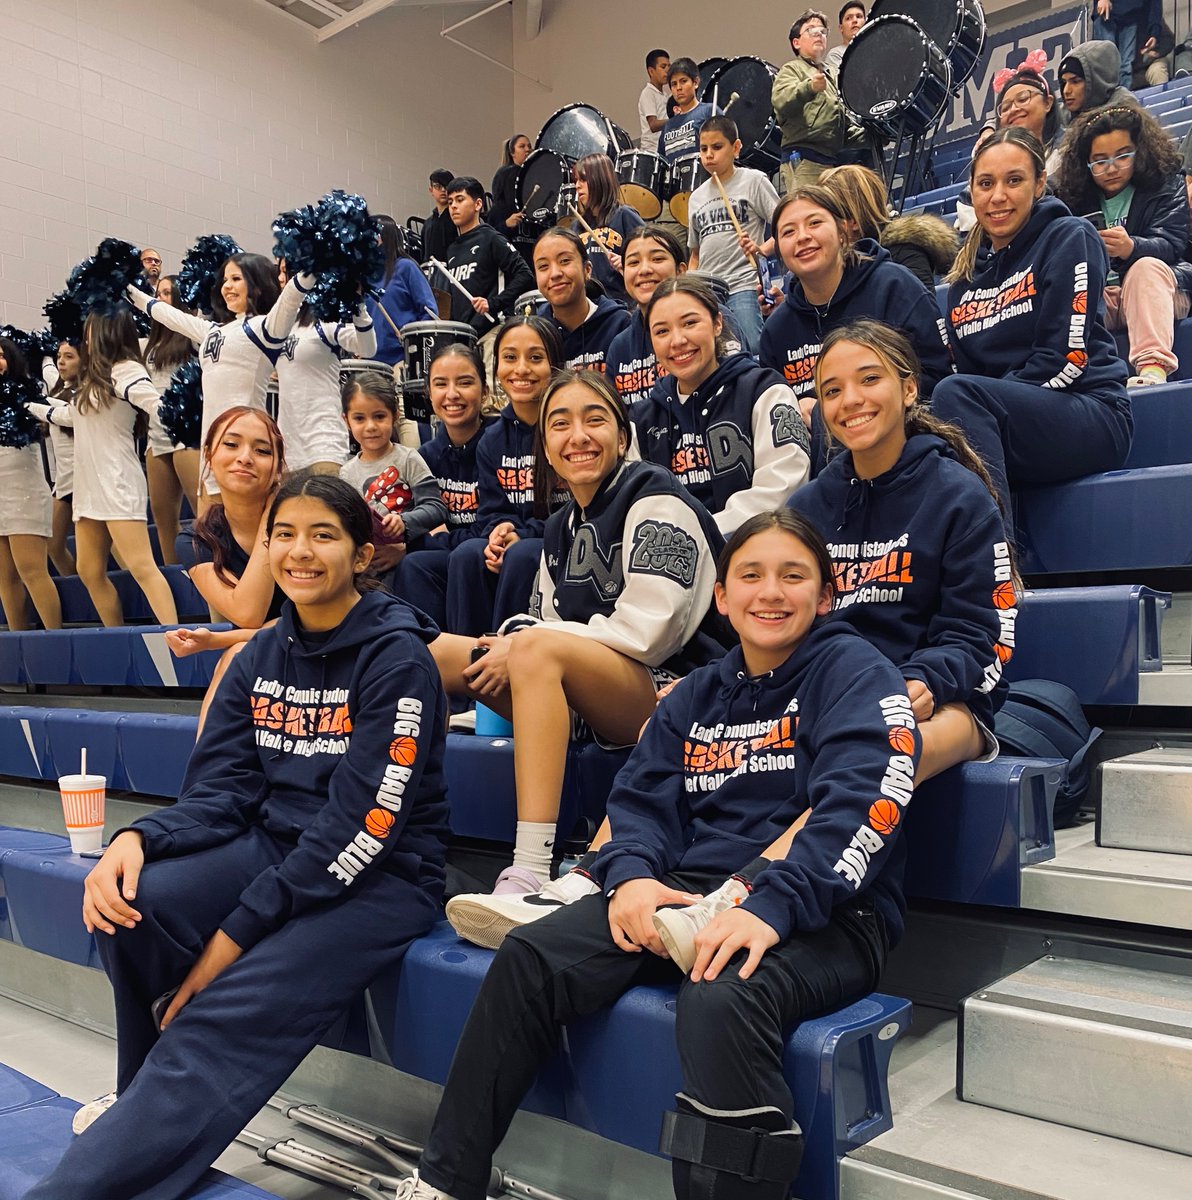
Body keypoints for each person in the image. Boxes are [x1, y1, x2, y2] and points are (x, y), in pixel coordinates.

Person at [404, 509, 919, 1200]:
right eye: (752, 576)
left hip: (829, 913)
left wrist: (770, 906)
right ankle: (446, 1182)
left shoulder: (857, 672)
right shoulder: (697, 693)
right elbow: (641, 800)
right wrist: (633, 881)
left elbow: (866, 803)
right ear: (723, 599)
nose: (771, 592)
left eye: (793, 577)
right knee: (531, 958)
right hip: (685, 893)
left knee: (721, 993)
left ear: (825, 595)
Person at [27, 474, 450, 1200]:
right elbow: (221, 791)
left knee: (217, 1006)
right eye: (284, 534)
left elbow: (361, 830)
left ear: (359, 552)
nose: (300, 552)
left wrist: (227, 945)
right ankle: (146, 1106)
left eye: (323, 535)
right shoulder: (259, 656)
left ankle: (92, 1179)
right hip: (275, 845)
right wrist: (141, 840)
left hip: (382, 878)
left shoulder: (398, 659)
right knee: (138, 902)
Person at [650, 320, 1013, 965]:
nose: (851, 401)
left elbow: (986, 634)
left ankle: (740, 895)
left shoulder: (958, 494)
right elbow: (781, 613)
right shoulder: (814, 501)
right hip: (827, 690)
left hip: (943, 702)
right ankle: (600, 878)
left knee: (884, 749)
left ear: (908, 387)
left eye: (869, 381)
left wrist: (924, 679)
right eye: (832, 389)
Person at [432, 369, 725, 900]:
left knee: (534, 649)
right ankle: (404, 836)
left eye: (595, 420)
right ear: (545, 446)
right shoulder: (561, 524)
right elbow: (541, 616)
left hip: (672, 692)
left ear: (622, 433)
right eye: (560, 425)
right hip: (582, 688)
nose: (578, 437)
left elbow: (649, 633)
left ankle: (528, 867)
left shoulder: (659, 500)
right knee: (433, 652)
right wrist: (518, 641)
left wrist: (524, 642)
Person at [935, 127, 1132, 516]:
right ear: (971, 193)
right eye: (986, 183)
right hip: (1008, 420)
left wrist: (987, 407)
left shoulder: (1069, 237)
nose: (998, 196)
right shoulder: (964, 277)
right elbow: (970, 372)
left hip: (1090, 409)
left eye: (1014, 180)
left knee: (956, 397)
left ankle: (996, 564)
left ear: (1040, 183)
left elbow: (1066, 361)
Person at [758, 186, 954, 433]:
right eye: (788, 232)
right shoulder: (777, 330)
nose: (802, 236)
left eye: (815, 223)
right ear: (780, 253)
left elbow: (937, 378)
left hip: (906, 439)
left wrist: (830, 410)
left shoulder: (894, 286)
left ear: (842, 232)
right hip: (822, 463)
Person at [30, 312, 177, 627]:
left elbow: (153, 402)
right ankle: (119, 638)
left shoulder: (126, 371)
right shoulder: (92, 378)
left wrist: (173, 411)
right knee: (88, 570)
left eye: (91, 329)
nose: (86, 336)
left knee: (141, 566)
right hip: (89, 487)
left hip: (117, 480)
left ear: (108, 330)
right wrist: (27, 406)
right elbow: (72, 415)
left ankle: (177, 643)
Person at [636, 277, 812, 534]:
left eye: (690, 323)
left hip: (755, 550)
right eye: (662, 331)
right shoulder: (642, 418)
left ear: (717, 323)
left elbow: (783, 485)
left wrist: (705, 535)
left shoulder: (764, 391)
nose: (677, 340)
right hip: (675, 564)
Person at [126, 252, 311, 495]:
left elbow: (291, 297)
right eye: (225, 279)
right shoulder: (213, 331)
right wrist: (127, 288)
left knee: (246, 528)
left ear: (256, 284)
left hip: (245, 448)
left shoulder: (266, 327)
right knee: (207, 528)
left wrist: (314, 255)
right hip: (212, 447)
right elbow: (168, 315)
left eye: (236, 278)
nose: (227, 286)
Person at [441, 315, 569, 638]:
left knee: (522, 555)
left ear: (555, 364)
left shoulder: (567, 428)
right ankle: (466, 667)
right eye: (510, 358)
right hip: (518, 539)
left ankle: (506, 666)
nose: (521, 369)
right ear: (496, 367)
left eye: (535, 358)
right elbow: (491, 513)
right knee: (467, 555)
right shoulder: (491, 440)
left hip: (564, 539)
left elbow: (578, 511)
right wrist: (501, 532)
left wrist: (522, 536)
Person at [394, 343, 496, 628]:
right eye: (441, 384)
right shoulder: (425, 456)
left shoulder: (498, 444)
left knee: (461, 555)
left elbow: (488, 529)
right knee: (409, 566)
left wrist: (435, 538)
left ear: (484, 391)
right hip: (447, 558)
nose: (452, 394)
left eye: (465, 382)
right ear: (429, 394)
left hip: (487, 558)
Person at [339, 370, 447, 580]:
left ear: (395, 415)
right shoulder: (346, 473)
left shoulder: (408, 459)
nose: (370, 427)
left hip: (407, 562)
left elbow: (436, 508)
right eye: (359, 418)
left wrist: (403, 522)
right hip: (366, 569)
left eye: (379, 416)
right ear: (346, 420)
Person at [687, 114, 779, 353]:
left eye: (717, 147)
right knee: (717, 354)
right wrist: (688, 281)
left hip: (743, 284)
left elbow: (785, 230)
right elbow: (695, 253)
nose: (709, 154)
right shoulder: (696, 197)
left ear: (736, 147)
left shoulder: (754, 181)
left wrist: (761, 250)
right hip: (707, 291)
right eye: (704, 148)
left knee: (753, 348)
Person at [275, 259, 377, 473]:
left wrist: (358, 304)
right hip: (288, 448)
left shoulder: (325, 321)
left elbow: (367, 349)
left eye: (285, 271)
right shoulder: (278, 326)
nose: (280, 278)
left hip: (324, 443)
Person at [0, 336, 61, 631]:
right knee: (5, 577)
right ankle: (20, 647)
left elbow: (54, 418)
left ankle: (56, 640)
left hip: (23, 488)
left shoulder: (26, 396)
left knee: (32, 570)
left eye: (0, 355)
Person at [820, 163, 959, 290]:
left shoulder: (905, 252)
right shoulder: (833, 264)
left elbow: (920, 312)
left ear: (853, 222)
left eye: (819, 220)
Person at [772, 10, 870, 189]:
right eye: (810, 30)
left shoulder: (832, 75)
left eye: (822, 31)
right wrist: (809, 87)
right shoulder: (792, 69)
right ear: (796, 42)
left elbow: (841, 127)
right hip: (803, 161)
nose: (818, 33)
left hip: (830, 162)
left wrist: (873, 136)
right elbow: (781, 101)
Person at [142, 273, 201, 564]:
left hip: (187, 434)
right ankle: (173, 576)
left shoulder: (192, 335)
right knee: (163, 518)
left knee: (201, 512)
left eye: (167, 293)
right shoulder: (150, 344)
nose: (160, 298)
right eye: (158, 293)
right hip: (157, 436)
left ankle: (208, 569)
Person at [606, 225, 690, 405]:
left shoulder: (709, 323)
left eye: (657, 259)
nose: (644, 270)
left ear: (681, 271)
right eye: (633, 263)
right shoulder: (620, 347)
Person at [440, 177, 535, 335]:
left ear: (478, 204)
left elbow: (525, 275)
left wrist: (492, 304)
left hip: (492, 331)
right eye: (450, 202)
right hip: (464, 335)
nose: (453, 206)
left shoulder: (491, 238)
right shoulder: (452, 250)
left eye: (460, 199)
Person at [533, 228, 632, 371]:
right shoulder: (535, 334)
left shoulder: (620, 325)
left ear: (587, 270)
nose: (554, 274)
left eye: (565, 261)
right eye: (543, 266)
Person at [572, 153, 644, 304]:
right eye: (576, 180)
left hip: (621, 305)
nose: (577, 185)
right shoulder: (577, 226)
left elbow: (647, 257)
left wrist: (628, 263)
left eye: (583, 179)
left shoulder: (625, 216)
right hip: (588, 307)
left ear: (599, 180)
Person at [368, 216, 438, 367]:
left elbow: (430, 312)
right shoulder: (364, 279)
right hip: (370, 362)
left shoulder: (406, 268)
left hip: (402, 360)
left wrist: (412, 341)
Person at [44, 339, 79, 577]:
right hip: (63, 481)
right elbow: (45, 363)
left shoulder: (86, 392)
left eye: (69, 356)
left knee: (115, 548)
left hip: (85, 479)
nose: (61, 361)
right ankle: (85, 595)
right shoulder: (56, 390)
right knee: (53, 546)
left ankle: (139, 602)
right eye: (59, 356)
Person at [992, 54, 1062, 172]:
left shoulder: (1066, 152)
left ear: (1048, 103)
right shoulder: (991, 165)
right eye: (1005, 108)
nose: (1013, 109)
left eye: (1023, 99)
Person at [658, 58, 716, 169]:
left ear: (696, 82)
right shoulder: (668, 127)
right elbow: (662, 163)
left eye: (683, 81)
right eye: (674, 84)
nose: (678, 88)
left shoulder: (708, 112)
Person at [1057, 41, 1133, 122]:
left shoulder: (1124, 113)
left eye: (1075, 82)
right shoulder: (1062, 116)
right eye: (1064, 82)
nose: (1066, 91)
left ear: (1097, 81)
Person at [1094, 0, 1161, 89]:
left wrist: (1154, 32)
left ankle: (1124, 100)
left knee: (1125, 68)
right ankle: (1109, 99)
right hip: (1107, 13)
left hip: (1131, 17)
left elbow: (1155, 5)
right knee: (1108, 66)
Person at [489, 134, 533, 237]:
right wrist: (506, 224)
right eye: (522, 146)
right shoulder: (508, 173)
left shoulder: (532, 174)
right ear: (512, 152)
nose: (527, 150)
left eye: (529, 146)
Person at [421, 168, 459, 266]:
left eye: (446, 186)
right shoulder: (428, 223)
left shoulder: (459, 218)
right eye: (438, 186)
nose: (443, 190)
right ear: (431, 190)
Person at [638, 48, 671, 154]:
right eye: (663, 67)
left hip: (664, 148)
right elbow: (653, 125)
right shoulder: (648, 93)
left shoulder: (665, 95)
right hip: (652, 151)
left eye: (668, 66)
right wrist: (676, 120)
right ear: (651, 71)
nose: (667, 70)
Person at [825, 1, 866, 72]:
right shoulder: (835, 55)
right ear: (841, 28)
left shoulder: (876, 49)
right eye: (848, 18)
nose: (855, 20)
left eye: (859, 16)